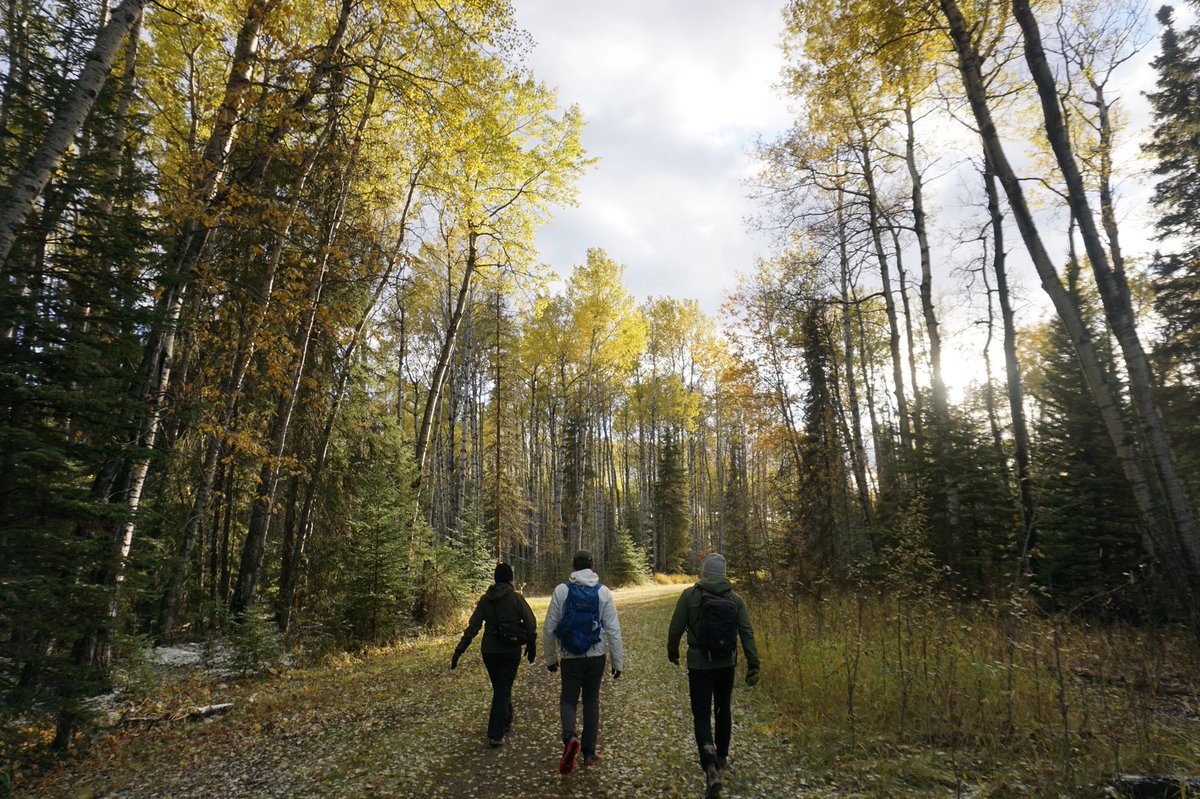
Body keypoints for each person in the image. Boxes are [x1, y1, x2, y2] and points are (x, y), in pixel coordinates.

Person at [666, 552, 760, 799]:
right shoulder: (735, 599)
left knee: (701, 715)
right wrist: (753, 664)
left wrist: (672, 650)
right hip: (725, 664)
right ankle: (722, 758)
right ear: (724, 573)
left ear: (704, 572)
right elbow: (746, 632)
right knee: (723, 709)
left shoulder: (690, 595)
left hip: (699, 665)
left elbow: (676, 626)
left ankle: (709, 768)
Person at [543, 549, 624, 775]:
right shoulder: (603, 593)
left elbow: (550, 627)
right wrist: (618, 662)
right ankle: (588, 754)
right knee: (591, 701)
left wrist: (550, 658)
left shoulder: (562, 590)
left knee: (568, 700)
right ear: (592, 565)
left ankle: (570, 738)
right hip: (596, 655)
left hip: (570, 657)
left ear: (573, 565)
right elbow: (613, 630)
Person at [451, 562, 537, 747]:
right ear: (510, 579)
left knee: (501, 686)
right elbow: (531, 623)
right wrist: (531, 643)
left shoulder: (485, 600)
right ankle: (495, 733)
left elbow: (473, 627)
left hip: (489, 651)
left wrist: (460, 650)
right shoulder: (516, 598)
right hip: (510, 650)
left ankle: (506, 719)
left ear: (495, 578)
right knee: (502, 688)